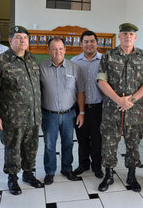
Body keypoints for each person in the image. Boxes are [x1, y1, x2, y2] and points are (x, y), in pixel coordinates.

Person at [97, 23, 143, 192]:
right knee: (108, 145)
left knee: (133, 146)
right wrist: (118, 100)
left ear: (135, 37)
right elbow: (101, 81)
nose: (128, 36)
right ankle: (108, 174)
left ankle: (131, 175)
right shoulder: (108, 56)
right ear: (119, 36)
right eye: (124, 34)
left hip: (134, 112)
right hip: (111, 112)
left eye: (131, 34)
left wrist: (133, 99)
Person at [0, 25, 42, 196]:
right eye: (18, 37)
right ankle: (12, 178)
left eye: (25, 38)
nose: (22, 40)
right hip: (12, 117)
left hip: (33, 115)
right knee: (12, 148)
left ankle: (28, 173)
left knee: (31, 147)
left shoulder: (31, 58)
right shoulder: (0, 62)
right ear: (10, 40)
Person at [40, 37, 85, 185]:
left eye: (60, 48)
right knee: (49, 145)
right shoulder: (41, 68)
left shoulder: (74, 68)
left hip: (69, 114)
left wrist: (81, 113)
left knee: (68, 144)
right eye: (54, 48)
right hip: (49, 115)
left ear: (65, 50)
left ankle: (67, 169)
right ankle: (50, 172)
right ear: (49, 50)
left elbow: (80, 92)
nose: (57, 52)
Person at [71, 31, 104, 179]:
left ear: (97, 43)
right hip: (80, 108)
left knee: (97, 138)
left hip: (99, 107)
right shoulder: (74, 62)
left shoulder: (104, 60)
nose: (89, 44)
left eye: (92, 41)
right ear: (81, 44)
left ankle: (97, 166)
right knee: (82, 137)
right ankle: (83, 164)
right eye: (86, 41)